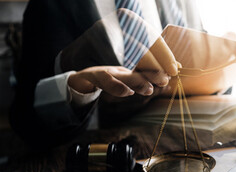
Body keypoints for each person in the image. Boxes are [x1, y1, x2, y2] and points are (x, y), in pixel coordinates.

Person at [11, 0, 203, 145]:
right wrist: (74, 86)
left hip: (181, 146)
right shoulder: (50, 5)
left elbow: (203, 67)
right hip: (95, 162)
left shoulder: (180, 3)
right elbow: (28, 123)